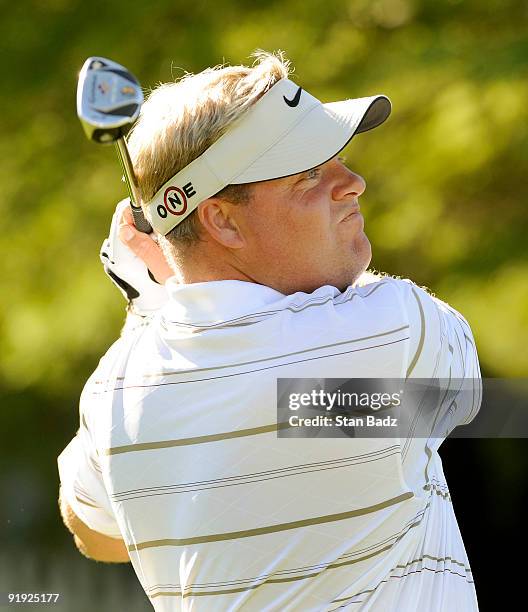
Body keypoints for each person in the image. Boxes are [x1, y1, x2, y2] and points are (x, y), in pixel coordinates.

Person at [57, 51, 481, 611]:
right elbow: (462, 398)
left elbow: (98, 533)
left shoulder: (115, 391)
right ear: (223, 220)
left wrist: (151, 305)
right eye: (308, 173)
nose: (352, 182)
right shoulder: (392, 329)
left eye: (335, 159)